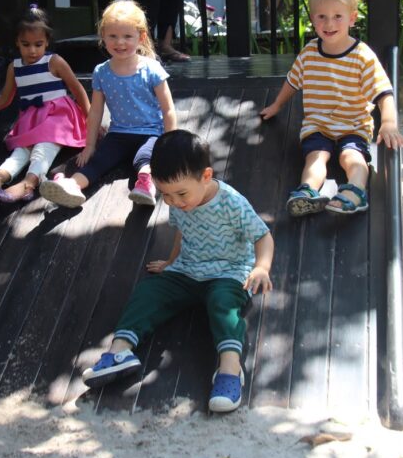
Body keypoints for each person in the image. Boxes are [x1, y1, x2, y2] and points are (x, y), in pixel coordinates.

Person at [80, 130, 274, 413]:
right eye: (166, 194)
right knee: (148, 291)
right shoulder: (179, 200)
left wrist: (261, 267)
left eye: (180, 194)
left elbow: (262, 235)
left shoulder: (232, 202)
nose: (174, 201)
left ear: (205, 176)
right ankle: (119, 351)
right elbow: (182, 233)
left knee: (223, 305)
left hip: (228, 272)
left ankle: (230, 370)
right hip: (187, 269)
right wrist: (171, 262)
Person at [260, 0, 403, 216]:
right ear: (313, 19)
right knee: (316, 157)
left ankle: (355, 192)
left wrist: (389, 123)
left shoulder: (362, 56)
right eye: (322, 17)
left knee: (351, 156)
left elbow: (384, 93)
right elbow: (293, 81)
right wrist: (276, 105)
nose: (329, 24)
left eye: (338, 16)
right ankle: (306, 192)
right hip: (318, 124)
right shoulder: (309, 52)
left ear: (352, 18)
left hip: (353, 125)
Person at [39, 0, 176, 208]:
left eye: (127, 36)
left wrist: (170, 142)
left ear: (141, 37)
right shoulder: (102, 72)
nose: (120, 42)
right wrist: (90, 145)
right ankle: (72, 185)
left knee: (146, 157)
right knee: (99, 160)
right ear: (103, 36)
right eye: (113, 36)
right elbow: (95, 112)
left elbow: (168, 109)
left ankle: (145, 184)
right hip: (119, 133)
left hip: (151, 132)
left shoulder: (151, 69)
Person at [0, 5, 90, 203]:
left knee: (43, 148)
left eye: (38, 44)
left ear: (47, 42)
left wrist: (90, 119)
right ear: (17, 42)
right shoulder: (15, 67)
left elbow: (77, 89)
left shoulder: (54, 61)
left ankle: (28, 184)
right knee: (21, 150)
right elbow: (4, 98)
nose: (32, 50)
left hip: (58, 117)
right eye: (25, 44)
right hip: (32, 118)